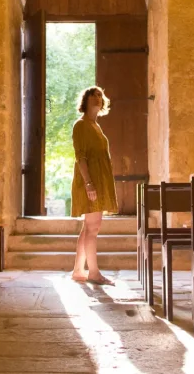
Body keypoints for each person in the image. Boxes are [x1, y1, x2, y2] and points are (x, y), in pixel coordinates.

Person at [70, 85, 119, 284]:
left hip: (98, 180)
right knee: (93, 228)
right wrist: (89, 183)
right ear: (86, 100)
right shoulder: (81, 125)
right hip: (89, 181)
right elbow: (80, 157)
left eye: (100, 95)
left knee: (87, 227)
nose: (97, 98)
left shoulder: (96, 126)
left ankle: (78, 271)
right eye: (93, 95)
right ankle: (94, 272)